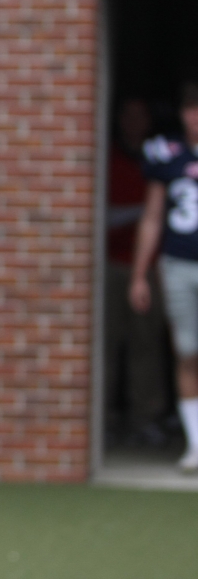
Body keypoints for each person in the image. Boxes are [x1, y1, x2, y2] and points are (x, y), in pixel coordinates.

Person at [131, 82, 198, 472]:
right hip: (177, 263)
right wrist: (140, 274)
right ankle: (195, 443)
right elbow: (152, 217)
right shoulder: (167, 154)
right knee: (188, 352)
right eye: (190, 109)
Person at [105, 98, 167, 446]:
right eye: (126, 115)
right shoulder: (107, 157)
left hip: (152, 266)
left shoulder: (160, 158)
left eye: (139, 115)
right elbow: (102, 214)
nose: (132, 121)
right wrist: (146, 214)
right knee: (108, 342)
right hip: (113, 262)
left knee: (148, 343)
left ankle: (147, 416)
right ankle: (106, 416)